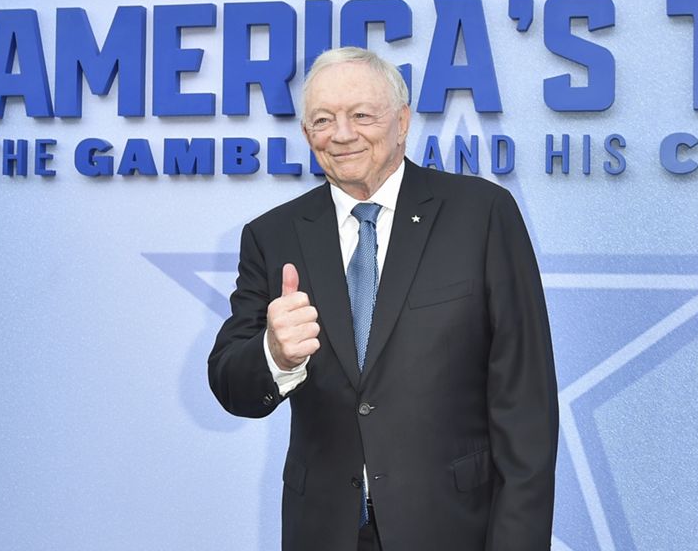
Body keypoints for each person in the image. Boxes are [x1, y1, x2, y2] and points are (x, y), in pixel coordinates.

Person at [208, 47, 558, 551]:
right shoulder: (273, 236)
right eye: (323, 120)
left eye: (361, 115)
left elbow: (527, 409)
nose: (342, 134)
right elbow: (230, 384)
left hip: (454, 529)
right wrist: (274, 354)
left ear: (402, 121)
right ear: (307, 135)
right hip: (324, 533)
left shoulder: (481, 215)